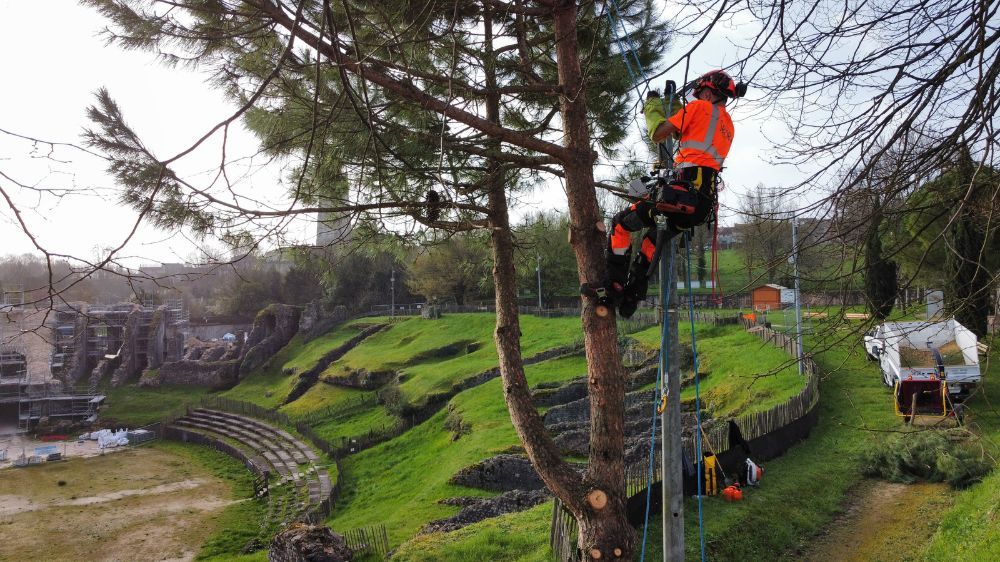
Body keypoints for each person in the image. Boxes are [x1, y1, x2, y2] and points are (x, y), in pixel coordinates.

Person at [590, 70, 740, 318]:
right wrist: (676, 108)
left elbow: (659, 132)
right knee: (651, 240)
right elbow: (688, 133)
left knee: (620, 224)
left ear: (708, 92)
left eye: (701, 93)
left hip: (682, 196)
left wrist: (651, 107)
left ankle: (613, 285)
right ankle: (632, 296)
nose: (698, 97)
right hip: (701, 206)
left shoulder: (698, 109)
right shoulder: (727, 125)